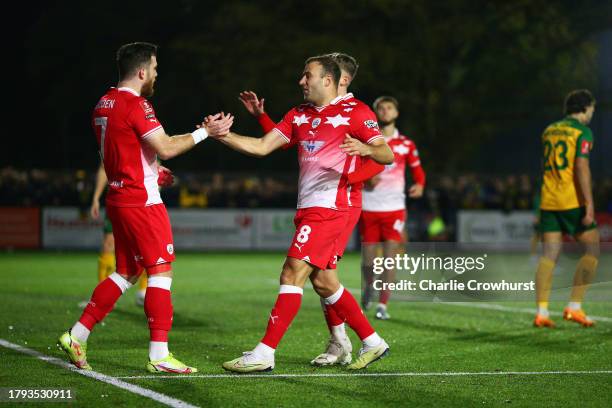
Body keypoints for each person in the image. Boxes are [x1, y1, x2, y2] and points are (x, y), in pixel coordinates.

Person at [58, 42, 233, 373]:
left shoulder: (103, 103)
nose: (155, 75)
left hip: (119, 197)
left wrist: (151, 169)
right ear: (141, 72)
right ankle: (159, 355)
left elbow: (120, 150)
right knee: (161, 271)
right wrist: (205, 132)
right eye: (153, 69)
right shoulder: (137, 104)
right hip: (142, 200)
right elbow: (165, 147)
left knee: (126, 272)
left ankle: (77, 335)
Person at [215, 54, 394, 373]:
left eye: (306, 75)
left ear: (329, 80)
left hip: (333, 207)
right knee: (324, 282)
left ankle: (265, 352)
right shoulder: (299, 114)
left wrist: (366, 149)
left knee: (291, 271)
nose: (301, 81)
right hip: (308, 206)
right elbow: (261, 146)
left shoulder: (356, 112)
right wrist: (219, 135)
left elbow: (385, 153)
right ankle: (371, 341)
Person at [533, 89, 599, 328]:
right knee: (592, 251)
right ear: (584, 108)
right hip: (571, 201)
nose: (592, 112)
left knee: (549, 256)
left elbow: (544, 165)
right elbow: (581, 167)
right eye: (592, 108)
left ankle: (542, 312)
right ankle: (574, 307)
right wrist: (589, 204)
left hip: (549, 200)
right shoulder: (582, 132)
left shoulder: (549, 130)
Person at [360, 96, 426, 320]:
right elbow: (354, 168)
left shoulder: (406, 144)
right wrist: (366, 180)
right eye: (381, 108)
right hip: (368, 207)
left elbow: (418, 172)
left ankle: (383, 305)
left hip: (394, 209)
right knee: (368, 260)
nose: (385, 111)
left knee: (389, 258)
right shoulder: (367, 141)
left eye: (389, 108)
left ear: (396, 113)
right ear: (376, 113)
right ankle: (369, 285)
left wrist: (420, 185)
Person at [89, 162, 175, 306]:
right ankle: (103, 297)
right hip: (119, 200)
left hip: (141, 203)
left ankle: (143, 291)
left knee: (145, 250)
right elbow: (104, 168)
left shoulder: (146, 143)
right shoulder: (112, 143)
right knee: (108, 246)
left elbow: (158, 164)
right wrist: (96, 197)